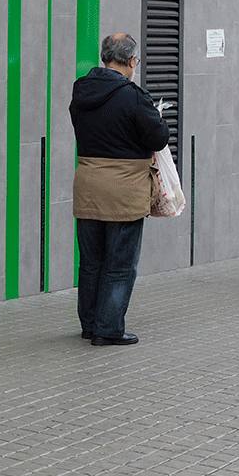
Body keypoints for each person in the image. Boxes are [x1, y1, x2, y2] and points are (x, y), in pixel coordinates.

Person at [69, 33, 169, 346]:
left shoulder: (81, 90)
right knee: (120, 263)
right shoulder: (133, 96)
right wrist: (156, 116)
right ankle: (108, 329)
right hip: (124, 190)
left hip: (87, 186)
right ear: (130, 61)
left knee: (91, 262)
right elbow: (158, 138)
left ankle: (90, 325)